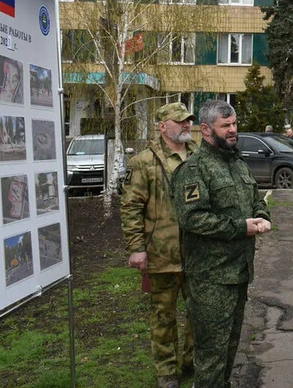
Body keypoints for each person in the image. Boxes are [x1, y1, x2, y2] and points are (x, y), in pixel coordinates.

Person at [171, 100, 271, 388]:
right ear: (205, 129)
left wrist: (262, 215)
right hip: (210, 278)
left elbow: (255, 199)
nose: (233, 130)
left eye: (234, 124)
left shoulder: (237, 164)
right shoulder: (194, 169)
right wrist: (241, 227)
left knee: (229, 348)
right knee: (211, 354)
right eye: (225, 125)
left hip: (238, 273)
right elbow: (193, 218)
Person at [121, 102, 197, 388]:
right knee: (163, 317)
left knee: (198, 314)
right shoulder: (143, 162)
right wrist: (136, 248)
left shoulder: (198, 157)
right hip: (160, 256)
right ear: (162, 126)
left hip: (196, 255)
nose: (187, 125)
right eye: (180, 121)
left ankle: (192, 362)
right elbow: (130, 208)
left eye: (188, 121)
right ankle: (167, 372)